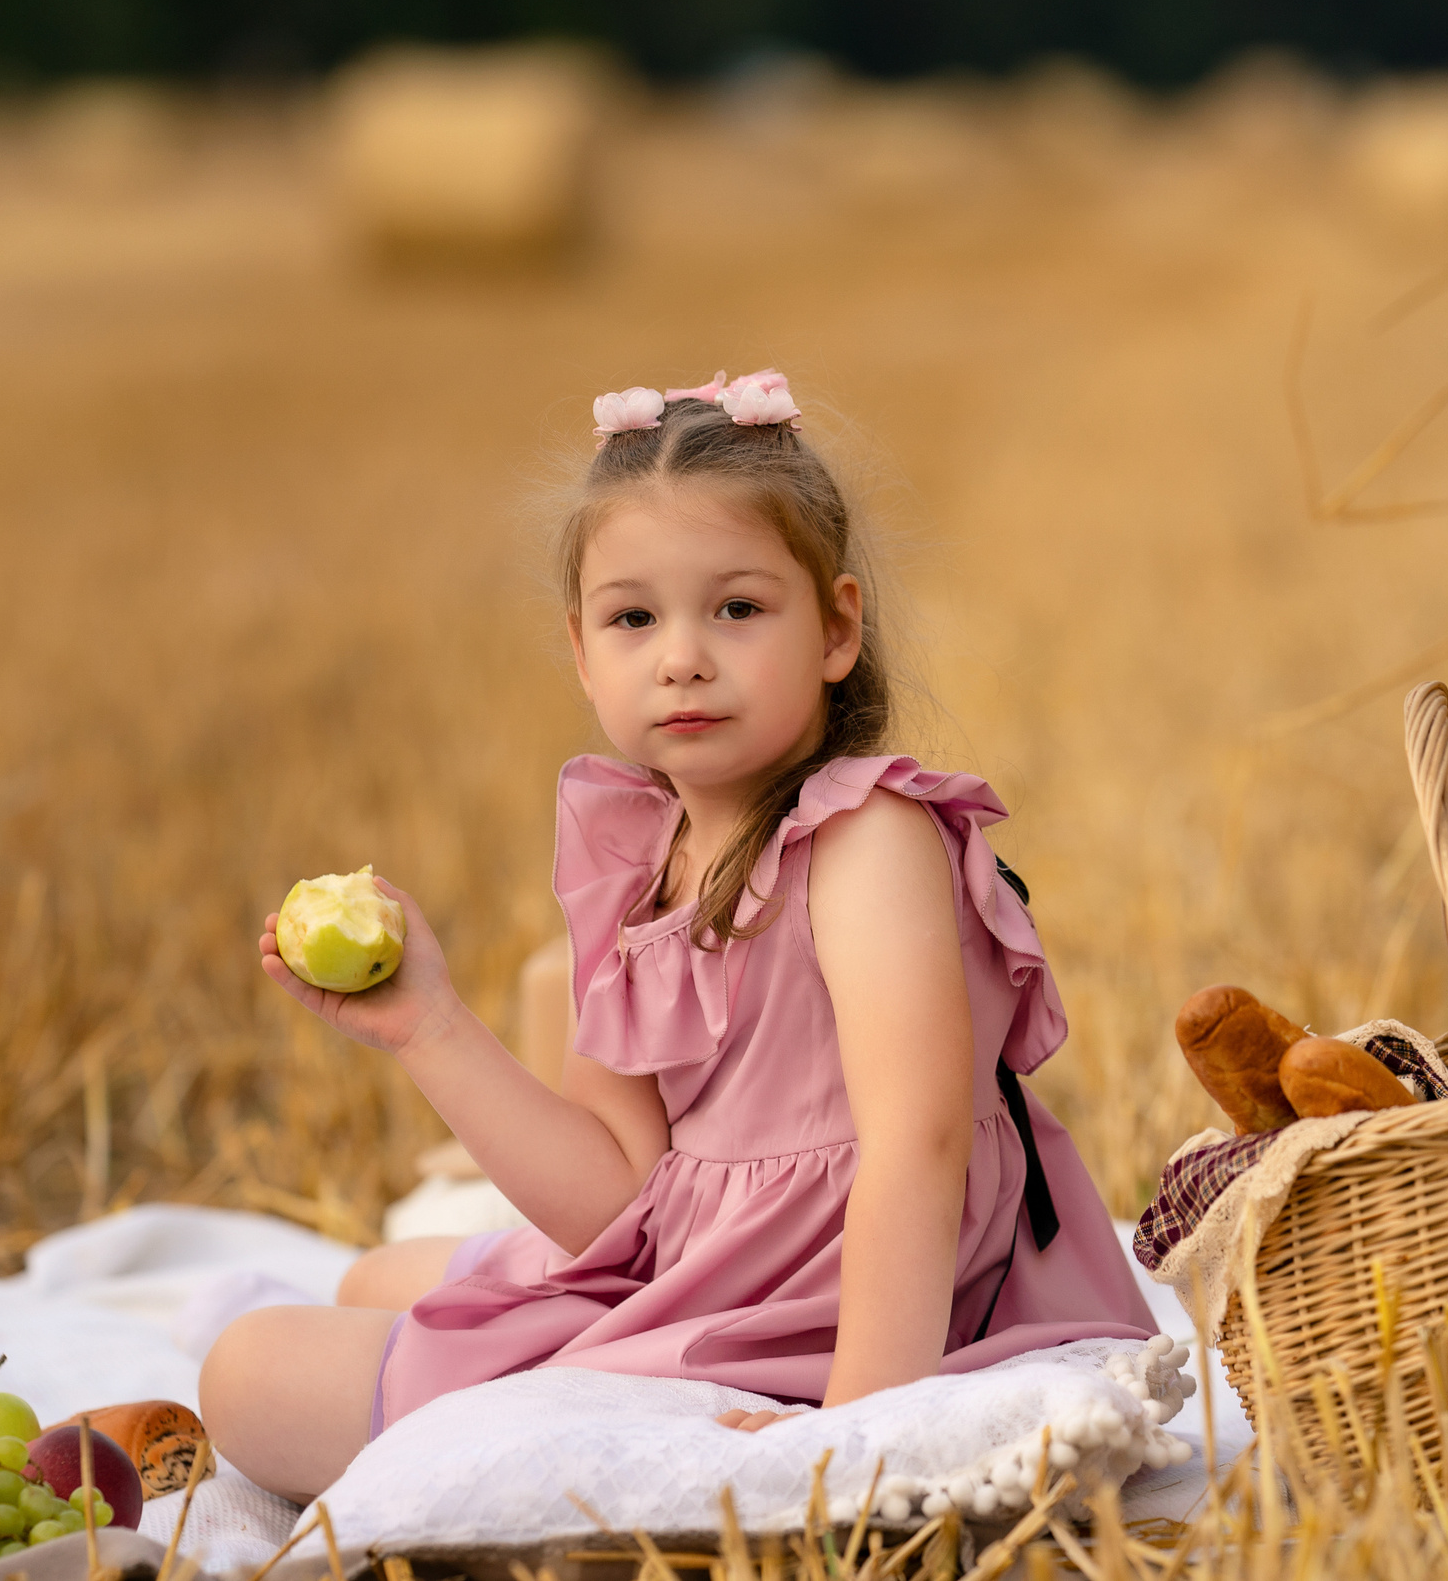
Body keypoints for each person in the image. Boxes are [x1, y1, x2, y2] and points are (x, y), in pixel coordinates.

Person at [200, 370, 1157, 1500]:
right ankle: (599, 1393)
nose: (681, 656)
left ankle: (668, 1423)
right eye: (633, 618)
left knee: (248, 1371)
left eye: (738, 609)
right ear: (581, 650)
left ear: (837, 626)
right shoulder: (635, 862)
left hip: (849, 1308)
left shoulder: (865, 838)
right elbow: (612, 1203)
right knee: (373, 1277)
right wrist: (430, 1030)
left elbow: (920, 1146)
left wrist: (850, 1444)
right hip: (698, 1266)